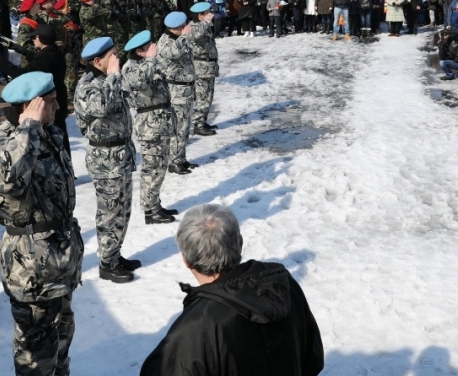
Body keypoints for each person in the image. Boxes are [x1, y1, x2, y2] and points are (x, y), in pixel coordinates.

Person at [139, 204, 324, 376]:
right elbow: (312, 359)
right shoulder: (282, 284)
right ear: (240, 243)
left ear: (186, 260)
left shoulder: (194, 327)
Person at [0, 72, 83, 375]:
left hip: (58, 257)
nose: (57, 107)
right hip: (31, 265)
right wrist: (28, 126)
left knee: (61, 336)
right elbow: (8, 184)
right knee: (36, 352)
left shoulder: (47, 132)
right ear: (30, 106)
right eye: (50, 101)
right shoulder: (5, 139)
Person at [73, 37, 140, 283]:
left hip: (121, 154)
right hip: (105, 158)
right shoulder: (87, 85)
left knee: (123, 210)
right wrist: (113, 77)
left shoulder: (108, 78)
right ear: (98, 61)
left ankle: (115, 253)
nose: (117, 60)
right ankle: (106, 263)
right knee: (109, 212)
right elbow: (100, 106)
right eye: (112, 56)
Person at [121, 31, 178, 225]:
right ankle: (150, 210)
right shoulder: (131, 68)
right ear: (139, 51)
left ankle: (154, 203)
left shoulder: (148, 64)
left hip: (161, 122)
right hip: (149, 125)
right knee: (152, 168)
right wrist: (151, 60)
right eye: (149, 47)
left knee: (160, 167)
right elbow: (138, 81)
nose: (154, 48)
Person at [157, 12, 197, 174]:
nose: (187, 28)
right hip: (176, 91)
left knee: (185, 126)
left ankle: (180, 158)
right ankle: (174, 162)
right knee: (179, 127)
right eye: (184, 26)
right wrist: (185, 37)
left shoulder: (177, 39)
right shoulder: (166, 41)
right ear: (178, 27)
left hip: (185, 89)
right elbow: (174, 53)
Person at [186, 2, 219, 136]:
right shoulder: (193, 27)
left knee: (208, 96)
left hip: (208, 67)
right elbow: (196, 36)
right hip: (201, 68)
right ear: (200, 16)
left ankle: (203, 120)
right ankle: (198, 124)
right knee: (202, 96)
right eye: (206, 13)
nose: (210, 14)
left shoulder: (202, 26)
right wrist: (206, 22)